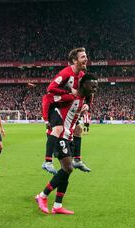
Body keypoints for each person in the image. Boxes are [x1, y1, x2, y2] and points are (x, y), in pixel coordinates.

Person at [35, 73, 98, 215]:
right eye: (92, 86)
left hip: (68, 136)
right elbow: (47, 97)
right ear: (83, 84)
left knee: (66, 171)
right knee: (68, 168)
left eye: (96, 87)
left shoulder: (82, 100)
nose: (94, 89)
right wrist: (47, 120)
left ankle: (57, 205)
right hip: (59, 136)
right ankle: (42, 196)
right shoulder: (70, 96)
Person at [41, 47, 91, 175]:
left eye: (86, 56)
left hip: (67, 106)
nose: (86, 59)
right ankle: (47, 161)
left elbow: (87, 92)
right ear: (75, 60)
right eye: (83, 57)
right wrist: (69, 91)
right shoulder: (65, 73)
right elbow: (50, 88)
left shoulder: (82, 75)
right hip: (54, 104)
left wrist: (86, 105)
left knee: (78, 129)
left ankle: (77, 160)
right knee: (58, 129)